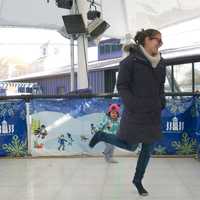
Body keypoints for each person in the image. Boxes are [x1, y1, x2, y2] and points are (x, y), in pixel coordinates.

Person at [89, 29, 166, 196]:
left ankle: (138, 180)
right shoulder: (130, 61)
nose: (160, 44)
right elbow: (122, 86)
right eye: (157, 40)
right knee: (130, 146)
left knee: (147, 148)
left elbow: (160, 86)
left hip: (153, 113)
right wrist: (133, 104)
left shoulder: (161, 63)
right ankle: (102, 135)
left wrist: (162, 101)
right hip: (136, 112)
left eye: (161, 41)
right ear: (146, 39)